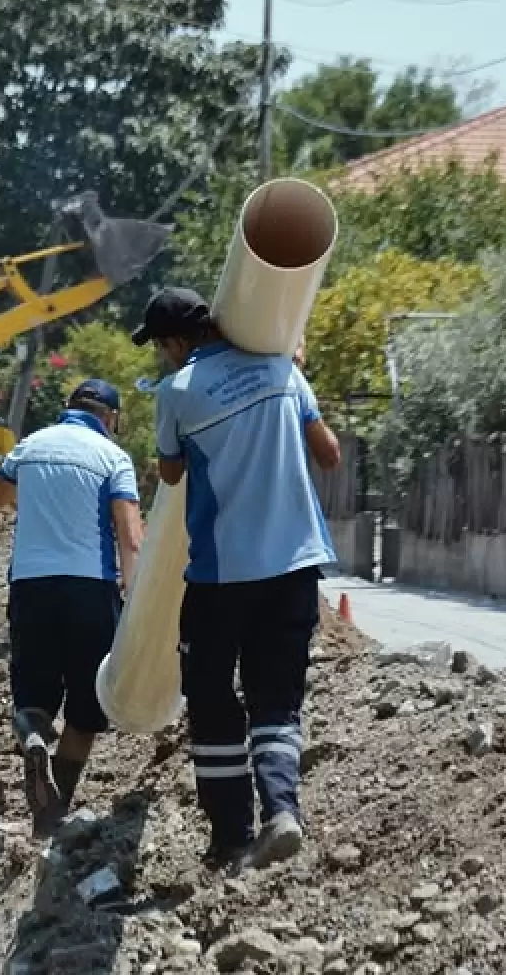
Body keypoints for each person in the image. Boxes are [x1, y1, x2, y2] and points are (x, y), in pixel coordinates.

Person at [133, 286, 342, 869]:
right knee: (277, 698)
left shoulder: (176, 392)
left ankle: (229, 836)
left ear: (176, 342)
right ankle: (282, 811)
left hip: (223, 577)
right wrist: (295, 382)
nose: (162, 357)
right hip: (296, 567)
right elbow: (329, 455)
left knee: (211, 696)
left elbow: (171, 476)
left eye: (160, 347)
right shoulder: (283, 372)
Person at [0, 379, 144, 832]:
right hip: (91, 590)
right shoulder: (113, 458)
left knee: (33, 695)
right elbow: (131, 537)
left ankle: (36, 739)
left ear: (68, 408)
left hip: (32, 587)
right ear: (111, 419)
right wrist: (134, 598)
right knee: (85, 708)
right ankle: (52, 811)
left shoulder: (31, 447)